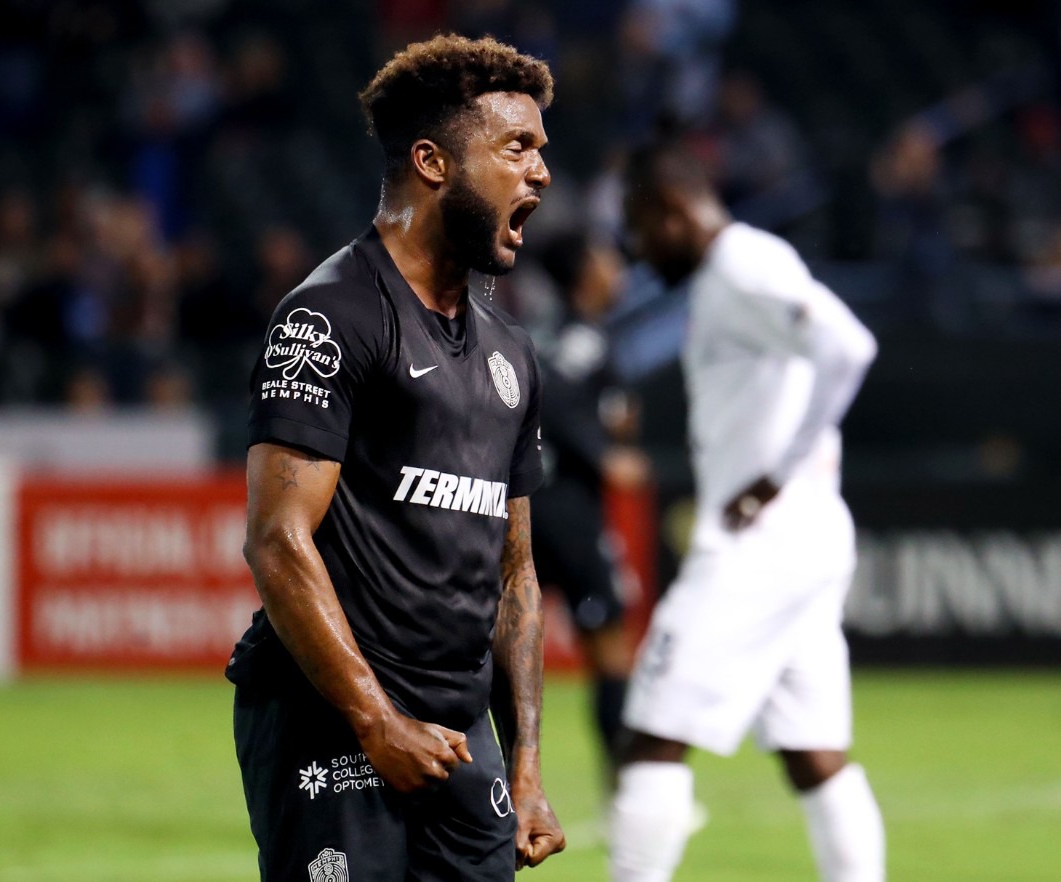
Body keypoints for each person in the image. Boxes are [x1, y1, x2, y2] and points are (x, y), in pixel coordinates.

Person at [226, 34, 566, 882]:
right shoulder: (330, 316)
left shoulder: (510, 354)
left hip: (459, 738)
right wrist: (376, 721)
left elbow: (515, 574)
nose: (541, 173)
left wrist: (524, 767)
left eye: (542, 150)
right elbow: (276, 539)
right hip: (332, 726)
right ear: (432, 162)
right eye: (515, 147)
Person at [609, 139, 885, 882]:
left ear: (671, 210)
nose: (638, 251)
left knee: (652, 735)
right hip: (808, 535)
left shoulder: (741, 264)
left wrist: (775, 473)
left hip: (757, 546)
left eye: (638, 229)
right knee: (815, 755)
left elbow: (849, 346)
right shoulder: (738, 270)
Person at [530, 230, 651, 781]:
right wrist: (603, 453)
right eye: (606, 257)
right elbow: (552, 396)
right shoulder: (580, 339)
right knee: (609, 646)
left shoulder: (582, 336)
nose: (618, 268)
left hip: (538, 505)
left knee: (507, 640)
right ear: (584, 273)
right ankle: (624, 784)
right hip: (566, 509)